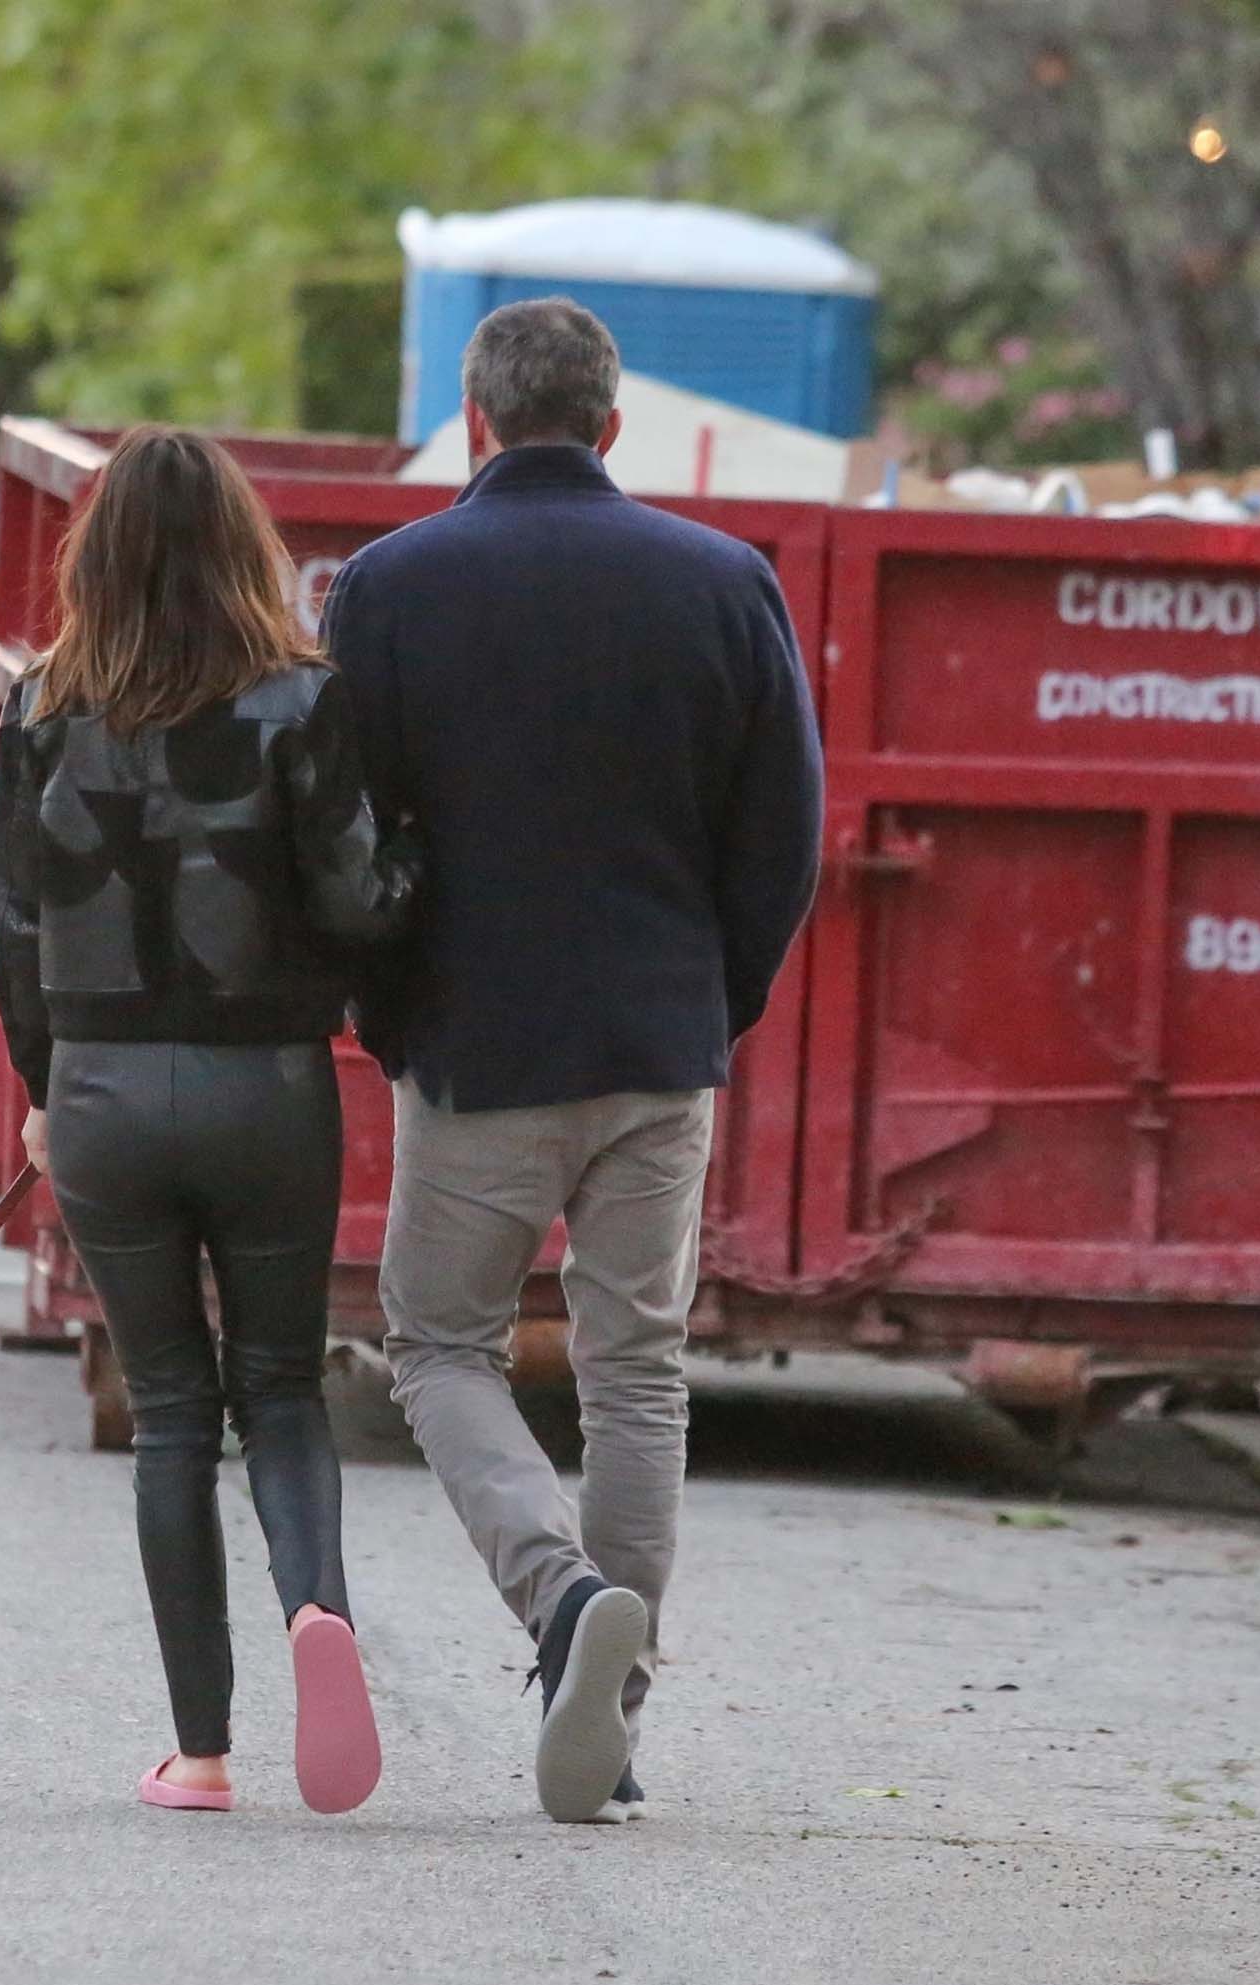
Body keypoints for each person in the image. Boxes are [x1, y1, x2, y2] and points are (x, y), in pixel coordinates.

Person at [324, 298, 824, 1825]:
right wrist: (710, 1001)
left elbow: (345, 833)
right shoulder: (727, 582)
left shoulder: (392, 588)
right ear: (614, 427)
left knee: (441, 1347)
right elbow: (785, 834)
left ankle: (558, 1606)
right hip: (658, 1045)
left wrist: (388, 1009)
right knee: (636, 1371)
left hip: (477, 1050)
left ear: (476, 422)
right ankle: (611, 1705)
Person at [0, 425, 421, 1816]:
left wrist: (46, 1091)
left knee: (171, 1408)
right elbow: (360, 901)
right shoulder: (301, 701)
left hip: (106, 1088)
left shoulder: (43, 704)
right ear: (247, 549)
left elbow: (12, 927)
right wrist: (416, 861)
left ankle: (203, 1750)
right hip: (267, 1085)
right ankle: (317, 1609)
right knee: (280, 1388)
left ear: (94, 556)